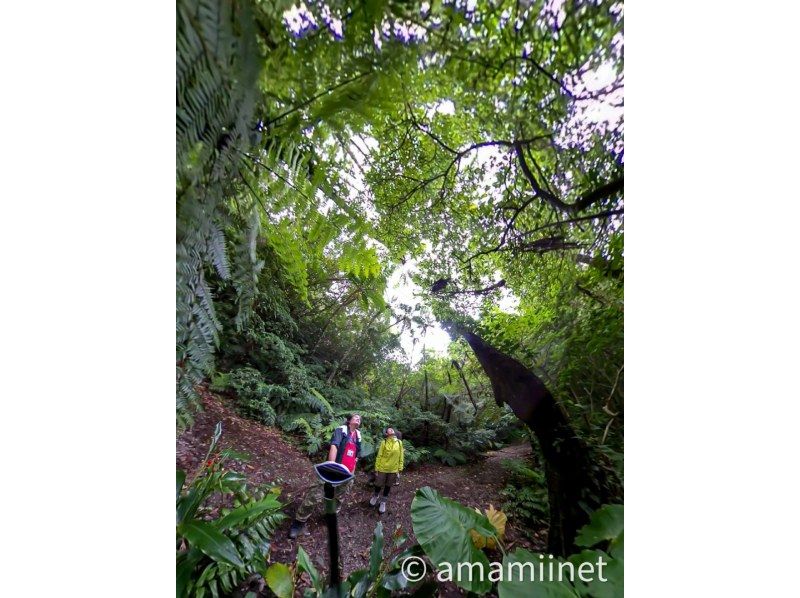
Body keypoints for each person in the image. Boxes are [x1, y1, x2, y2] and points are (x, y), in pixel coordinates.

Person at [288, 413, 362, 539]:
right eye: (356, 417)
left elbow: (356, 456)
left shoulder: (358, 436)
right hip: (335, 468)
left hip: (347, 474)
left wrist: (352, 473)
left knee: (339, 497)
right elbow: (334, 446)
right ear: (349, 420)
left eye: (360, 418)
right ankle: (298, 523)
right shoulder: (341, 430)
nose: (358, 419)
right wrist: (331, 467)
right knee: (315, 495)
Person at [369, 427, 404, 514]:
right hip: (382, 468)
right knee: (378, 484)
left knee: (388, 486)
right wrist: (376, 468)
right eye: (389, 429)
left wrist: (400, 468)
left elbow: (401, 456)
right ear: (386, 433)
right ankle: (375, 496)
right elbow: (379, 456)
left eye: (392, 429)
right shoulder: (383, 442)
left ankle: (383, 502)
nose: (391, 429)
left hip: (393, 469)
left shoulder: (399, 443)